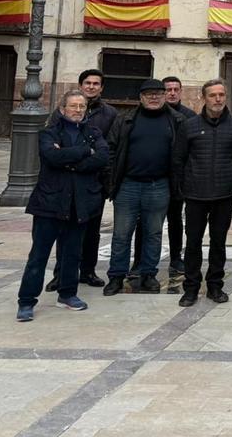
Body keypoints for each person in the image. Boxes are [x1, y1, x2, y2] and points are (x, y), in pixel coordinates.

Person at [16, 90, 110, 321]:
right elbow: (51, 157)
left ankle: (67, 294)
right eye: (73, 106)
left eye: (82, 106)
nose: (78, 110)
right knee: (39, 255)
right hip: (50, 203)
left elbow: (102, 157)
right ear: (62, 109)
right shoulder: (49, 132)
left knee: (72, 254)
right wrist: (83, 153)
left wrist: (69, 160)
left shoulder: (93, 132)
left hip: (79, 203)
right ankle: (26, 301)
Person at [172, 78, 232, 307]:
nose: (218, 99)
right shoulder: (189, 126)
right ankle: (191, 288)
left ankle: (215, 286)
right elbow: (178, 159)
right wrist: (187, 184)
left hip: (223, 196)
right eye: (213, 95)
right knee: (193, 243)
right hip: (195, 196)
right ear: (203, 98)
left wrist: (228, 175)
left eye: (221, 95)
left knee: (219, 243)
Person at [103, 79, 182, 296]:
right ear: (140, 98)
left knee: (153, 233)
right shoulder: (125, 119)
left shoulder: (176, 120)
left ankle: (149, 274)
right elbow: (110, 149)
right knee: (121, 234)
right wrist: (111, 181)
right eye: (149, 94)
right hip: (128, 185)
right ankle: (116, 276)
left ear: (165, 96)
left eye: (158, 93)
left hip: (159, 186)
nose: (154, 97)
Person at [48, 69, 118, 292]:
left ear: (102, 87)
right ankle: (61, 273)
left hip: (94, 181)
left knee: (91, 230)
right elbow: (53, 147)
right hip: (65, 181)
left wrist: (106, 179)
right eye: (87, 83)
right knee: (64, 228)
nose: (91, 87)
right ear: (80, 85)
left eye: (96, 83)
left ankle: (88, 270)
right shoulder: (60, 113)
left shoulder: (110, 114)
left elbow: (106, 151)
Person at [159, 75, 194, 278]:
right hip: (156, 176)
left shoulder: (189, 116)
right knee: (148, 221)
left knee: (176, 221)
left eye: (175, 89)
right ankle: (142, 261)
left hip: (179, 179)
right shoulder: (153, 113)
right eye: (168, 89)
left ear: (181, 92)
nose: (172, 93)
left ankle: (175, 258)